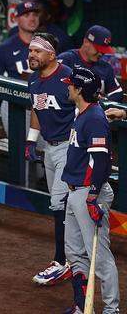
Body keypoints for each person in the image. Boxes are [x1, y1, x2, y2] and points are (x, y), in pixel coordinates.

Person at [60, 66, 121, 314]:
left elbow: (101, 161)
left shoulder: (94, 118)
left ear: (80, 89)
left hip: (88, 194)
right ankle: (82, 306)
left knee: (100, 254)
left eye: (71, 84)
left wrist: (94, 196)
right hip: (76, 192)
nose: (68, 86)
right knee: (74, 252)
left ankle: (110, 309)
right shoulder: (86, 113)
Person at [23, 33, 75, 286]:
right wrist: (32, 140)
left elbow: (87, 107)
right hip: (50, 148)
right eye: (30, 50)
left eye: (37, 51)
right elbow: (36, 109)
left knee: (59, 203)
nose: (32, 55)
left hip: (70, 147)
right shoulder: (34, 81)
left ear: (51, 55)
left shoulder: (68, 78)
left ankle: (62, 261)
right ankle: (72, 258)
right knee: (63, 205)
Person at [0, 1, 39, 134]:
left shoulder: (47, 45)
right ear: (16, 19)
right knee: (19, 150)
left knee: (43, 152)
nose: (32, 18)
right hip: (15, 104)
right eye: (26, 15)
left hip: (41, 105)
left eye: (35, 14)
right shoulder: (5, 49)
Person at [58, 25, 122, 102]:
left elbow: (117, 93)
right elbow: (54, 86)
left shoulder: (105, 67)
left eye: (103, 50)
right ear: (86, 42)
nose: (101, 53)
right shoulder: (66, 59)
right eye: (98, 49)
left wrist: (104, 101)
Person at [8, 0, 74, 53]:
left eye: (36, 13)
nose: (32, 17)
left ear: (47, 16)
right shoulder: (14, 32)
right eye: (28, 14)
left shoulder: (60, 37)